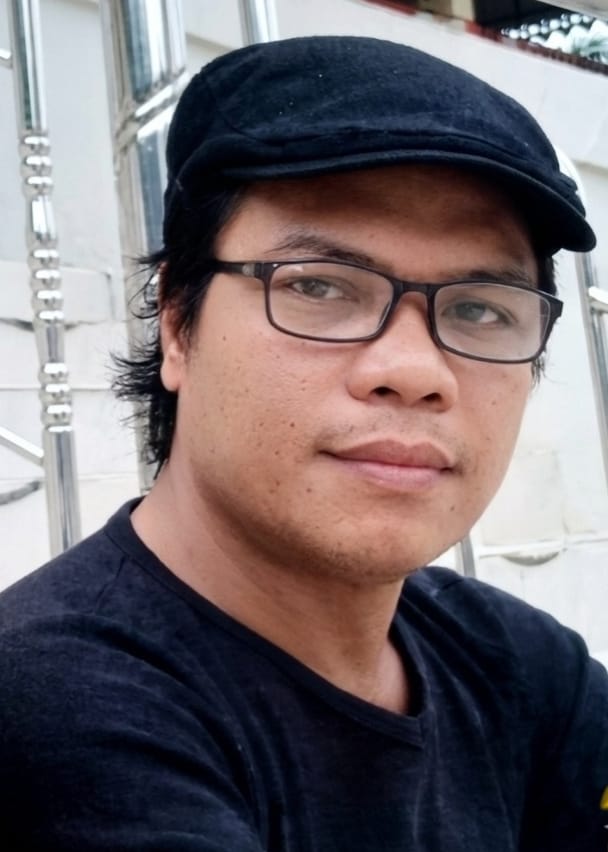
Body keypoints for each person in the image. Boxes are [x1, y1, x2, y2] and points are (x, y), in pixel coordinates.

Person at [0, 34, 606, 851]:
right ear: (177, 323)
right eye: (319, 286)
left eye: (478, 308)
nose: (414, 371)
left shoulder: (516, 665)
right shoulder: (54, 707)